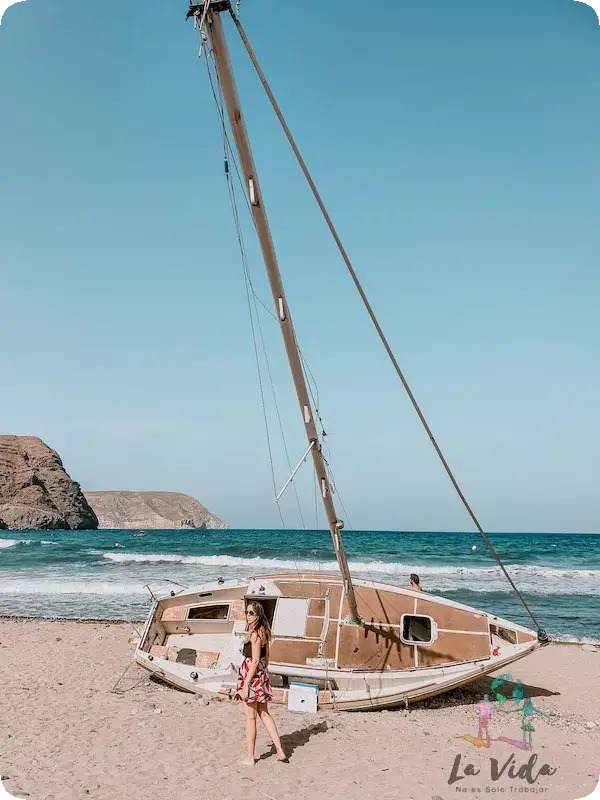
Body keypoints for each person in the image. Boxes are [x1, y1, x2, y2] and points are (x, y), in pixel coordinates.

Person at [235, 600, 288, 766]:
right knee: (264, 714)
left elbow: (256, 660)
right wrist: (264, 674)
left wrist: (245, 683)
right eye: (247, 612)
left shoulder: (255, 633)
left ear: (259, 615)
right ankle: (280, 751)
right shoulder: (264, 631)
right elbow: (267, 658)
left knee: (251, 718)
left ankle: (250, 757)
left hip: (252, 676)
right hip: (261, 675)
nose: (248, 616)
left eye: (252, 613)